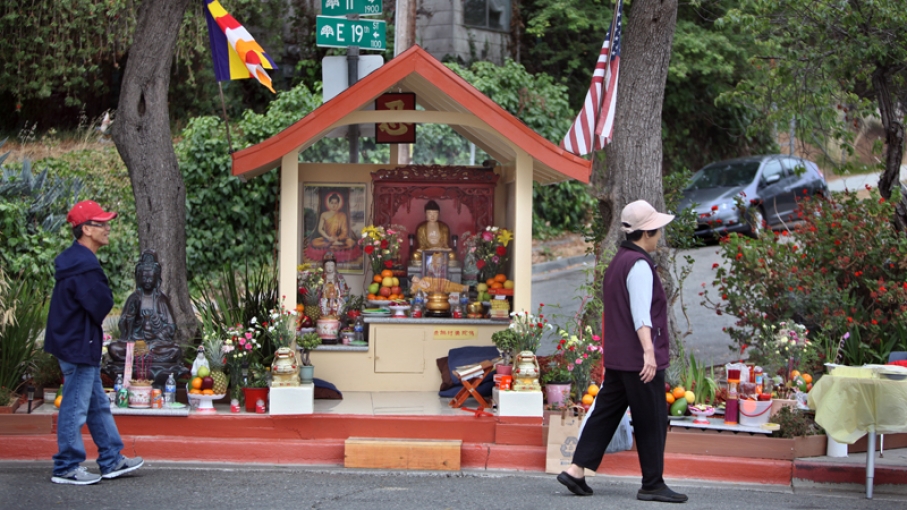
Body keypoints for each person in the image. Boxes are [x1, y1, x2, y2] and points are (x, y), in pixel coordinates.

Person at [556, 200, 687, 503]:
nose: (659, 236)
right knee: (652, 417)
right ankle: (652, 483)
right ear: (646, 233)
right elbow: (641, 314)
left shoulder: (618, 260)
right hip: (637, 359)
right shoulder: (639, 265)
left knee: (605, 412)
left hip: (618, 356)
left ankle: (576, 470)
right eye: (657, 230)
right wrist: (649, 353)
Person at [44, 200, 144, 485]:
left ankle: (111, 459)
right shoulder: (84, 266)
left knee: (96, 404)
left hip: (75, 342)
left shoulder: (74, 260)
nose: (108, 228)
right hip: (78, 345)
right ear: (86, 229)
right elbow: (101, 304)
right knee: (75, 406)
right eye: (102, 223)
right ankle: (66, 466)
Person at [411, 200, 452, 265]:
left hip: (441, 251)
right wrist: (430, 249)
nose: (432, 216)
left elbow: (445, 245)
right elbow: (421, 246)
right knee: (415, 255)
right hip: (425, 251)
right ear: (425, 214)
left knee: (452, 256)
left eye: (435, 213)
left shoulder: (444, 227)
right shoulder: (421, 228)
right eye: (429, 213)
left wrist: (439, 249)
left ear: (439, 214)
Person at [319, 252, 348, 318]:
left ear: (335, 266)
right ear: (324, 266)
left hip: (337, 301)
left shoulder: (339, 277)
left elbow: (345, 291)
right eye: (327, 266)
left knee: (338, 307)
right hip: (324, 301)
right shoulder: (322, 277)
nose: (329, 268)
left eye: (332, 265)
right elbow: (317, 292)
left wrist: (341, 298)